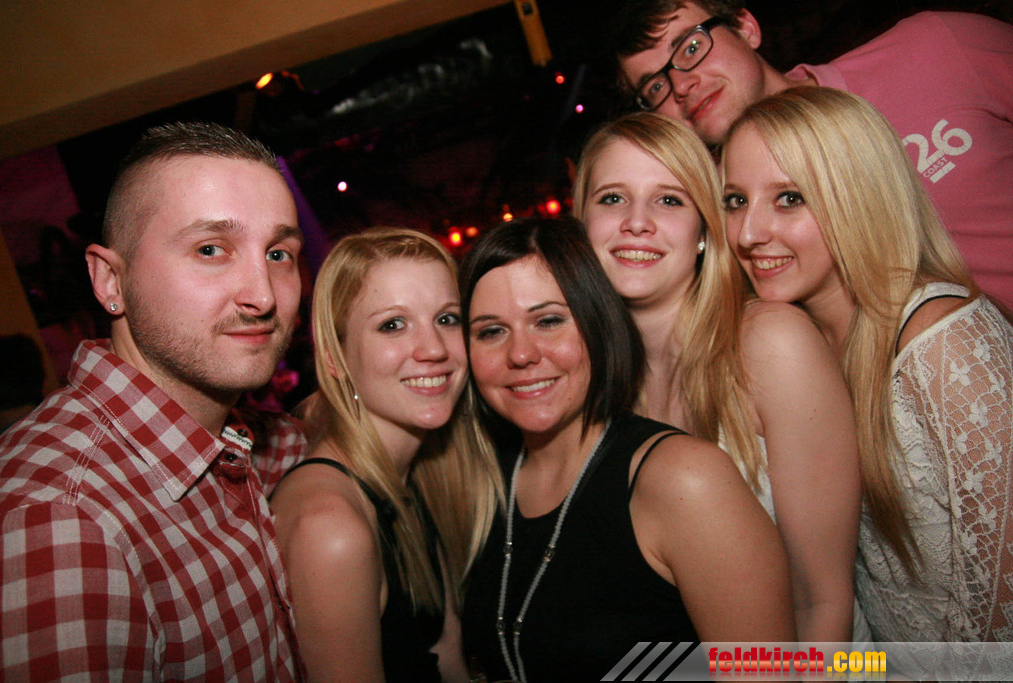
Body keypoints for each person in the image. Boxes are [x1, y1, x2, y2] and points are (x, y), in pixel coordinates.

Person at [0, 122, 308, 679]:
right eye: (211, 249)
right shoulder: (61, 522)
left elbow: (307, 440)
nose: (262, 295)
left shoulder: (243, 440)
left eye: (279, 253)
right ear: (110, 281)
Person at [721, 86, 1013, 642]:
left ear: (860, 194)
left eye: (789, 198)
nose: (749, 233)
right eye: (735, 200)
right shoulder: (794, 346)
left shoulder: (944, 344)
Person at [460, 216, 794, 682]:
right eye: (491, 331)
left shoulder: (685, 481)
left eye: (549, 321)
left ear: (597, 324)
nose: (521, 353)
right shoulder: (483, 482)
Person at [572, 111, 865, 643]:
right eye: (612, 198)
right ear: (582, 224)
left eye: (669, 200)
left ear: (705, 230)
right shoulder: (585, 383)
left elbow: (820, 600)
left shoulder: (769, 344)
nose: (636, 222)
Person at [612, 1, 1013, 311]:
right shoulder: (722, 220)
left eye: (691, 47)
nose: (681, 85)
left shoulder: (932, 50)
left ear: (746, 28)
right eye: (655, 87)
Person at [270, 227, 503, 682]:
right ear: (335, 358)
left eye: (447, 319)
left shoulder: (411, 480)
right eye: (393, 325)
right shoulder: (331, 528)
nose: (434, 349)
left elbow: (447, 657)